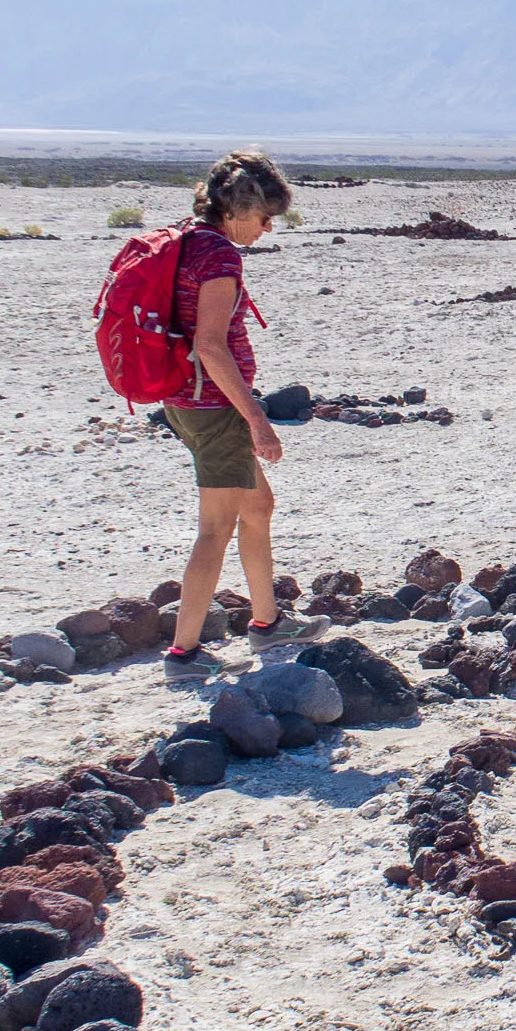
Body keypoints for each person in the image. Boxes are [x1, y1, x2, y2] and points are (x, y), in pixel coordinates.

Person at [158, 150, 296, 671]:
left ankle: (268, 623)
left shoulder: (188, 241)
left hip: (190, 401)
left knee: (258, 508)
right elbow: (211, 345)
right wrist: (257, 419)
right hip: (214, 407)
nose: (265, 228)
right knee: (214, 529)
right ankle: (184, 651)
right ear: (238, 208)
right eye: (263, 217)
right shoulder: (218, 257)